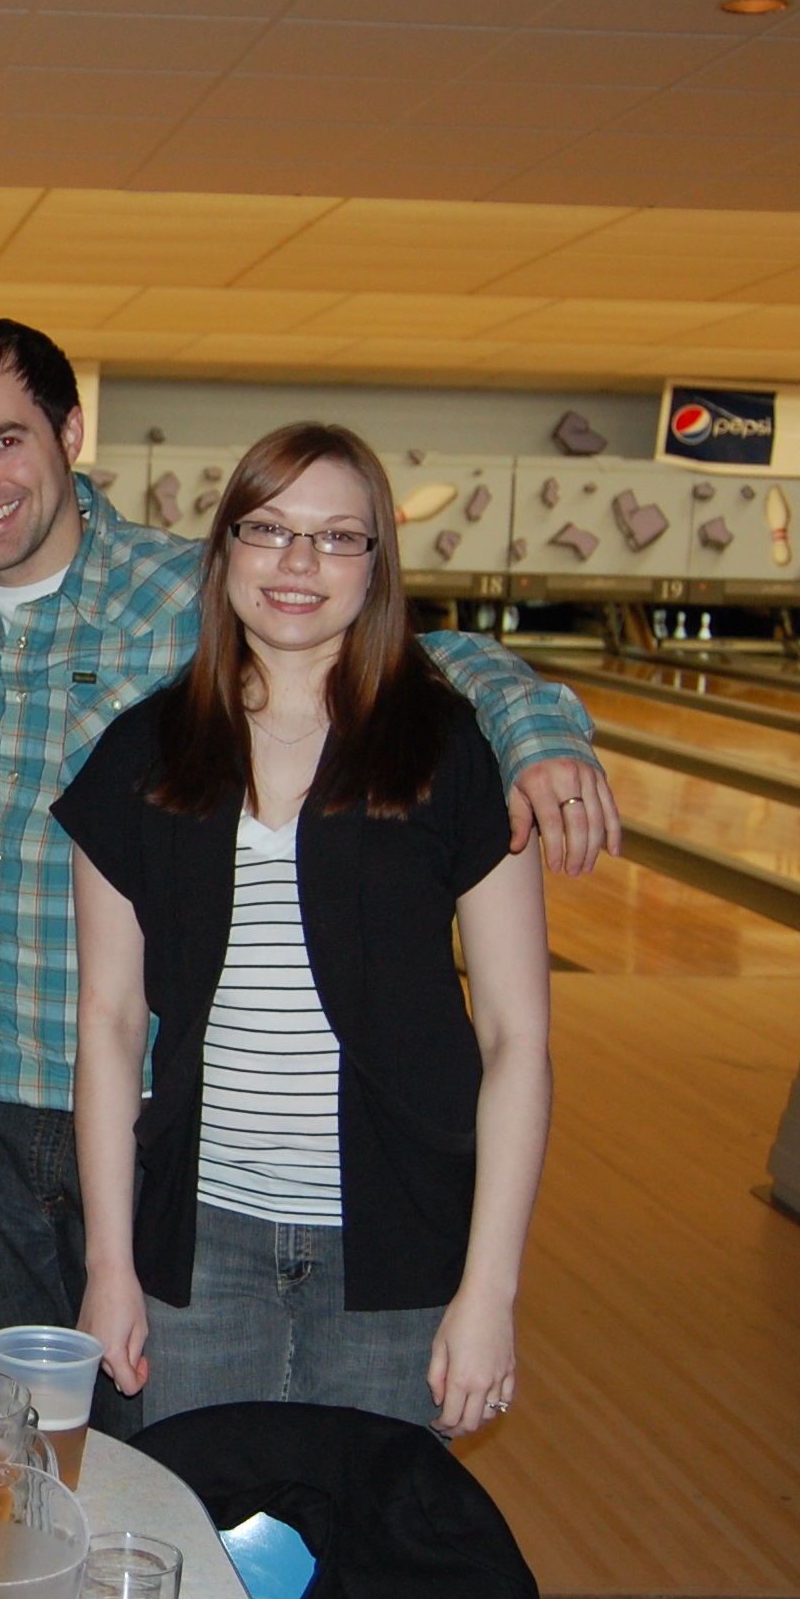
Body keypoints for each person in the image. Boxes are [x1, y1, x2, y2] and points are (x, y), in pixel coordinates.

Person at [0, 322, 613, 1424]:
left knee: (208, 1464)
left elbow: (422, 657)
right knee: (22, 1444)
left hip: (156, 1116)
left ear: (69, 434)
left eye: (5, 440)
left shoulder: (190, 588)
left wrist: (537, 726)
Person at [57, 422, 551, 1435]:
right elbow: (108, 1021)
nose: (297, 562)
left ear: (375, 564)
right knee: (204, 1525)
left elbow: (515, 1036)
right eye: (269, 528)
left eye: (336, 537)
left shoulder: (451, 749)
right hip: (199, 1245)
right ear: (225, 548)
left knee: (368, 1534)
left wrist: (488, 1291)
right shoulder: (141, 753)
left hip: (401, 1244)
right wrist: (110, 1266)